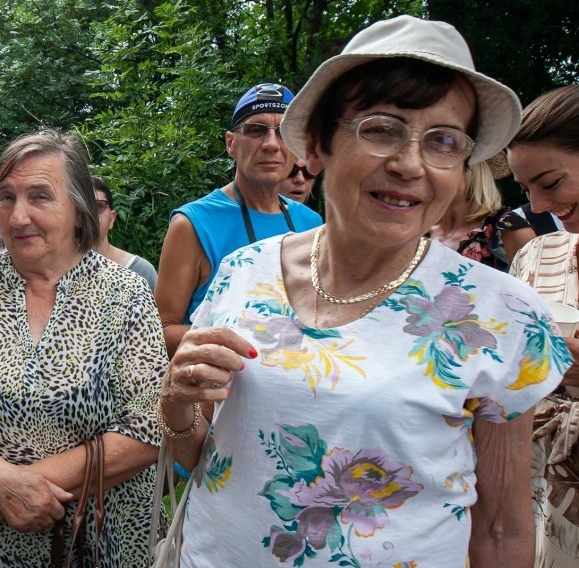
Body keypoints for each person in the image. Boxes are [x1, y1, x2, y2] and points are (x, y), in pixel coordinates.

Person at [158, 16, 569, 567]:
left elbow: (500, 529)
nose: (409, 164)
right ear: (319, 147)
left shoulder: (499, 313)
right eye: (382, 129)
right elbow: (204, 455)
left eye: (443, 141)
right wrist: (176, 406)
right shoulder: (242, 272)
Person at [0, 130, 167, 567]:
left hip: (103, 539)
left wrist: (14, 488)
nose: (17, 216)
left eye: (40, 197)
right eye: (5, 197)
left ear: (79, 211)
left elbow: (150, 424)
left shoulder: (125, 292)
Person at [156, 83, 323, 355]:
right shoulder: (194, 224)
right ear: (231, 143)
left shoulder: (312, 223)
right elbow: (161, 330)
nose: (270, 144)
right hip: (224, 387)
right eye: (255, 130)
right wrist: (244, 334)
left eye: (282, 133)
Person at [508, 84, 579, 568]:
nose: (536, 206)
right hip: (539, 498)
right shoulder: (535, 256)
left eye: (550, 182)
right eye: (526, 188)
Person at [431, 154, 535, 271]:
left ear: (474, 172)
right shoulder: (419, 231)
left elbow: (537, 285)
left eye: (445, 166)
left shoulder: (509, 227)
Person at [91, 175, 157, 291]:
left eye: (98, 206)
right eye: (82, 207)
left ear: (112, 219)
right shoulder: (56, 271)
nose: (89, 214)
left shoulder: (141, 271)